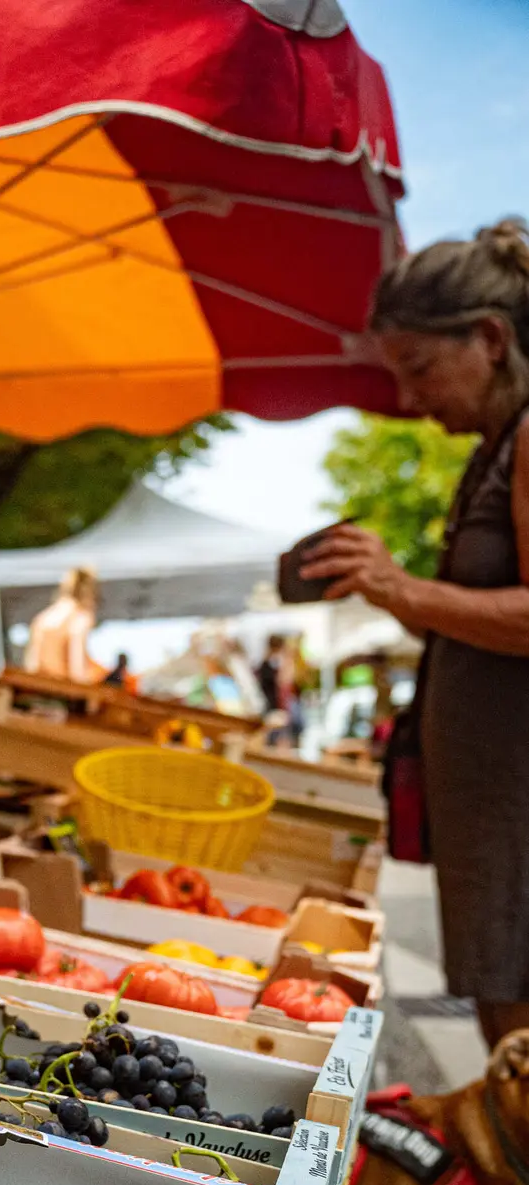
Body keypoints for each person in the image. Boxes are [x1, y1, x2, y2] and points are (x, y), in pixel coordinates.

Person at [301, 218, 529, 1052]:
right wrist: (392, 589)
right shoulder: (494, 448)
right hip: (494, 809)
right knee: (504, 1032)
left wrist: (403, 587)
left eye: (420, 367)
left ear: (491, 339)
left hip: (518, 806)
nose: (408, 399)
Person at [23, 568, 105, 685]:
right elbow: (77, 670)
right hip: (64, 688)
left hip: (42, 687)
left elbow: (32, 665)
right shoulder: (80, 617)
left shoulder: (43, 618)